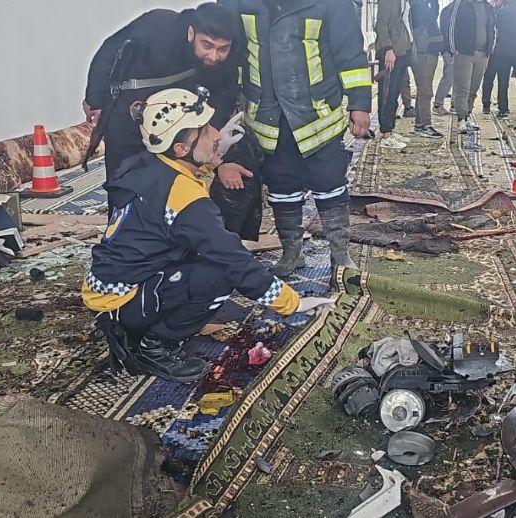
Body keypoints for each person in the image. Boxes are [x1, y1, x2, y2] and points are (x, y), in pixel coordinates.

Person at [83, 89, 334, 383]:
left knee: (200, 253)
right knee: (221, 273)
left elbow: (180, 180)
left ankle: (144, 319)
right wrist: (293, 303)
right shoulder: (185, 200)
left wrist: (214, 153)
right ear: (180, 149)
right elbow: (234, 261)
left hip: (109, 286)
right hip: (122, 301)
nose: (216, 134)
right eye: (205, 130)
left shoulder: (147, 163)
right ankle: (152, 347)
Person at [219, 0, 372, 276]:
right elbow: (233, 56)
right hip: (267, 116)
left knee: (330, 184)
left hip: (318, 116)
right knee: (281, 188)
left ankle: (340, 255)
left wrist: (359, 103)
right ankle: (292, 253)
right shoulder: (239, 4)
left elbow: (350, 54)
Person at [83, 3, 251, 212]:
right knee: (123, 181)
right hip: (129, 112)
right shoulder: (158, 25)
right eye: (207, 45)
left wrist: (211, 131)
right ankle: (120, 227)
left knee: (170, 184)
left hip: (178, 123)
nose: (213, 56)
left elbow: (223, 95)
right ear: (191, 33)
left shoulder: (228, 56)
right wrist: (95, 100)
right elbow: (108, 51)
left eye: (222, 49)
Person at [443, 0, 496, 134]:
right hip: (464, 53)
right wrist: (452, 49)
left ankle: (467, 116)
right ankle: (461, 118)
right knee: (463, 88)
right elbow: (450, 25)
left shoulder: (488, 7)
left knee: (474, 88)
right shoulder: (461, 5)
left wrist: (490, 49)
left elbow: (493, 29)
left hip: (483, 54)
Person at [376, 0, 415, 149]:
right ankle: (385, 134)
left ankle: (390, 130)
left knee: (394, 94)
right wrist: (388, 49)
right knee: (387, 94)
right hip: (391, 52)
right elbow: (381, 24)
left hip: (402, 51)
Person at [411, 0, 446, 138]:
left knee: (423, 90)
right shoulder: (417, 5)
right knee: (425, 90)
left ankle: (420, 124)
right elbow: (430, 16)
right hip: (423, 51)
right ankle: (425, 124)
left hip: (429, 50)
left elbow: (434, 14)